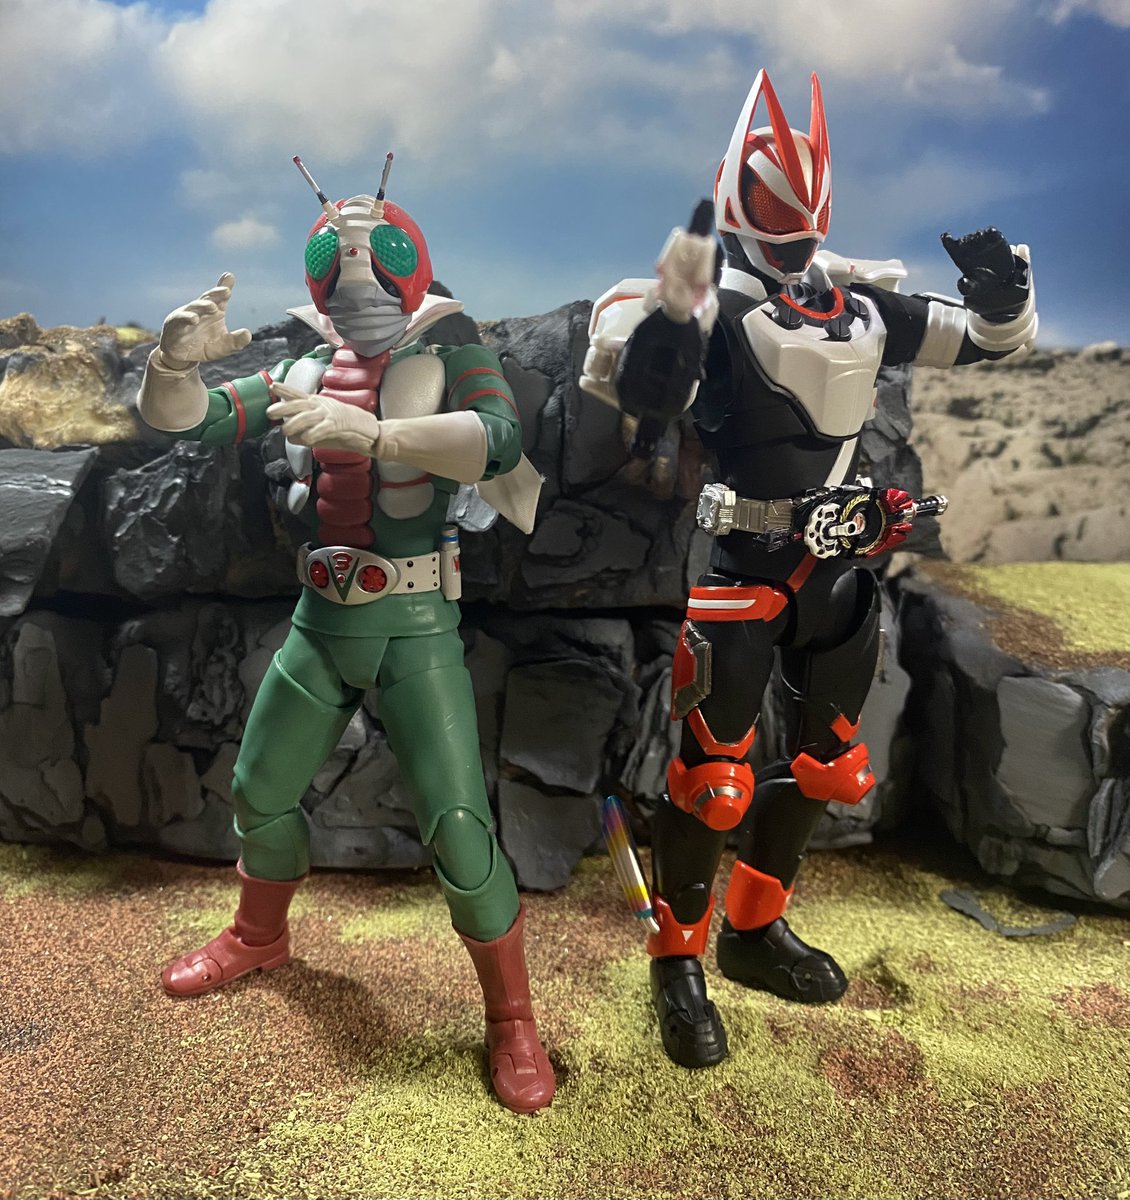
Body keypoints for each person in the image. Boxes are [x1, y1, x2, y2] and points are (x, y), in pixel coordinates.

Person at [581, 69, 1037, 1068]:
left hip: (837, 576)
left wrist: (1003, 290)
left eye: (800, 216)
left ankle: (753, 930)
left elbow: (987, 341)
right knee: (713, 782)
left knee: (829, 765)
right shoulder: (702, 302)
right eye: (771, 212)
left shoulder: (858, 301)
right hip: (739, 574)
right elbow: (633, 383)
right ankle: (676, 960)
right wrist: (668, 325)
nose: (788, 238)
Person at [137, 156, 554, 1113]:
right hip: (321, 620)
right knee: (259, 790)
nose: (358, 274)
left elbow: (497, 439)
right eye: (339, 256)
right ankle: (260, 935)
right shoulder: (305, 365)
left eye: (378, 254)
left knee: (459, 830)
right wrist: (173, 366)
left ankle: (512, 1016)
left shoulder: (452, 351)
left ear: (413, 260)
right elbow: (197, 422)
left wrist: (375, 437)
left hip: (416, 628)